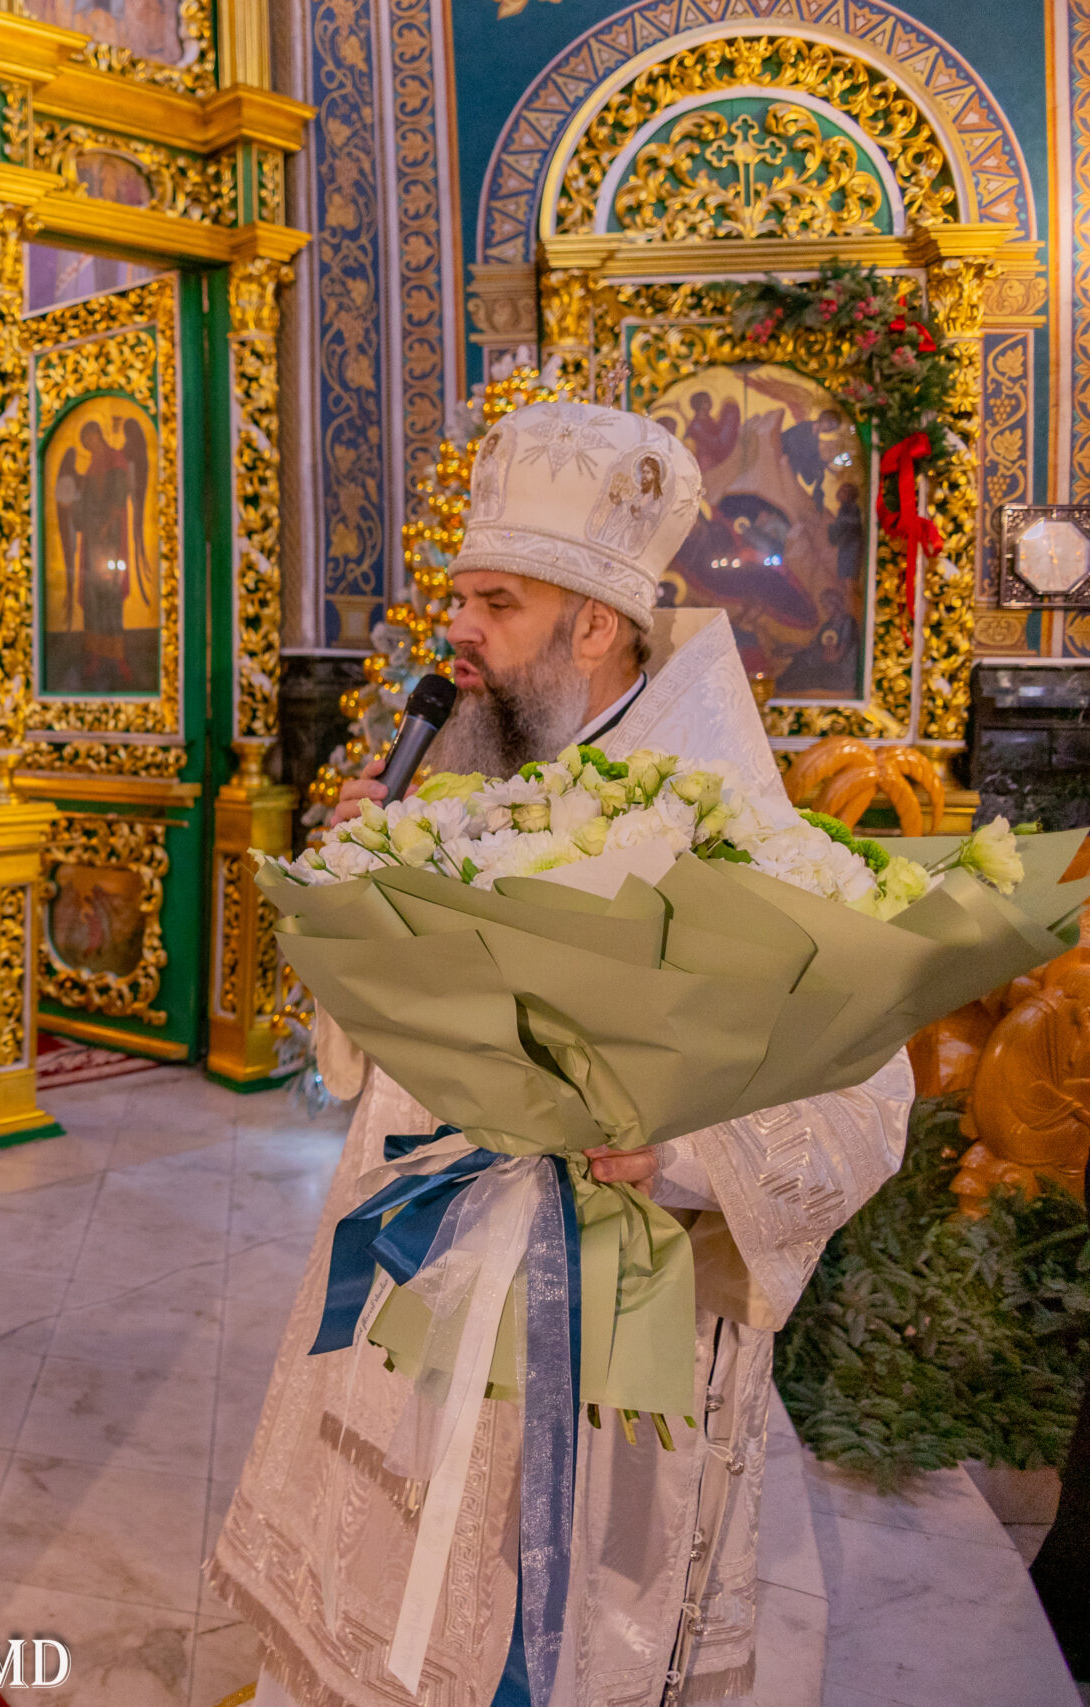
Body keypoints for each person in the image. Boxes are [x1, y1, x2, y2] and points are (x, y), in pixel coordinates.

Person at [214, 401, 914, 1707]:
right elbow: (368, 1065)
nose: (457, 629)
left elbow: (866, 1093)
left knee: (533, 1623)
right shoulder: (466, 780)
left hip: (595, 1330)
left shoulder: (725, 824)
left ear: (595, 626)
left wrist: (684, 1151)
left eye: (496, 602)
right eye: (459, 597)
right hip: (411, 1284)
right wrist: (364, 902)